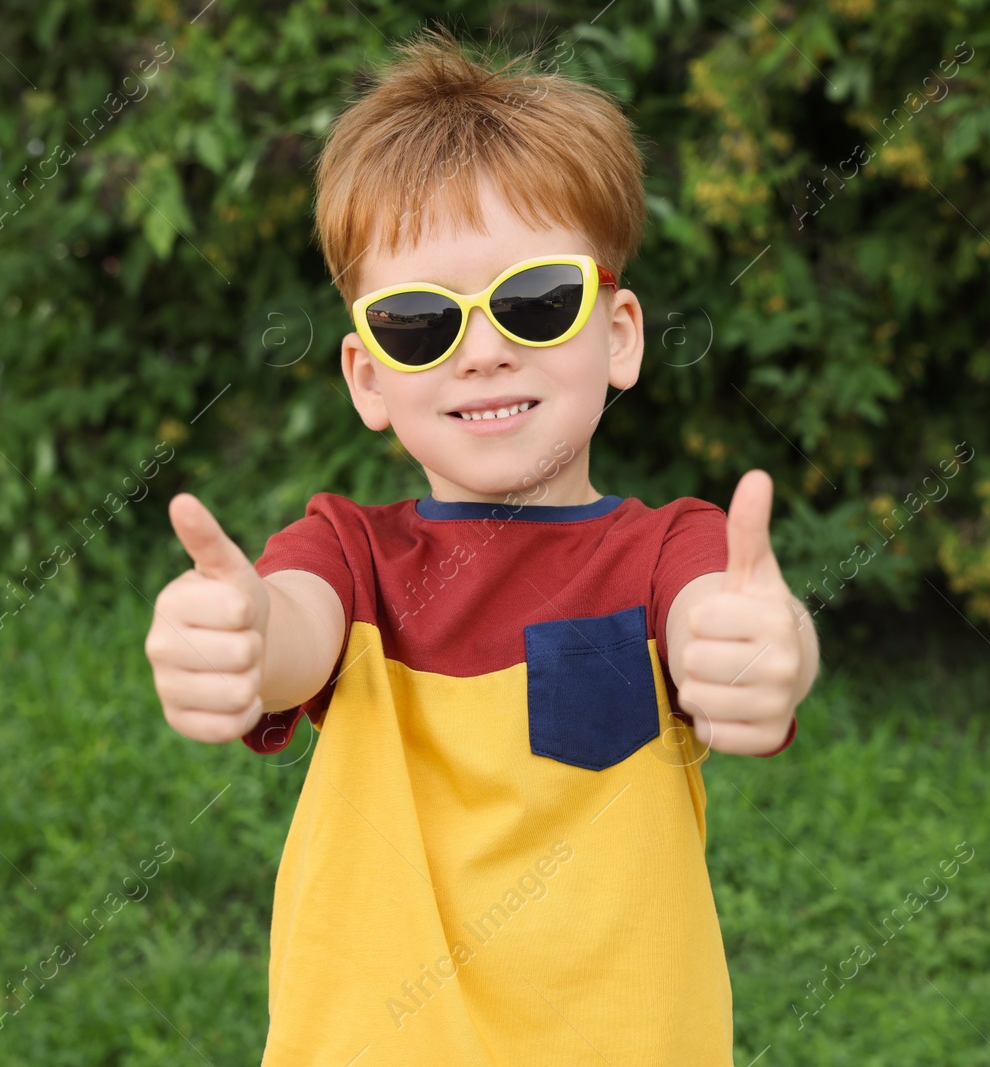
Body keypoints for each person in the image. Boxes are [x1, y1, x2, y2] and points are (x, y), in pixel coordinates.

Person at [143, 27, 820, 1066]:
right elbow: (290, 630)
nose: (484, 348)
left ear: (621, 334)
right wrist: (235, 637)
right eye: (420, 322)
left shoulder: (666, 554)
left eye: (537, 301)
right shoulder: (347, 555)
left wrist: (766, 649)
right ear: (367, 376)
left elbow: (718, 621)